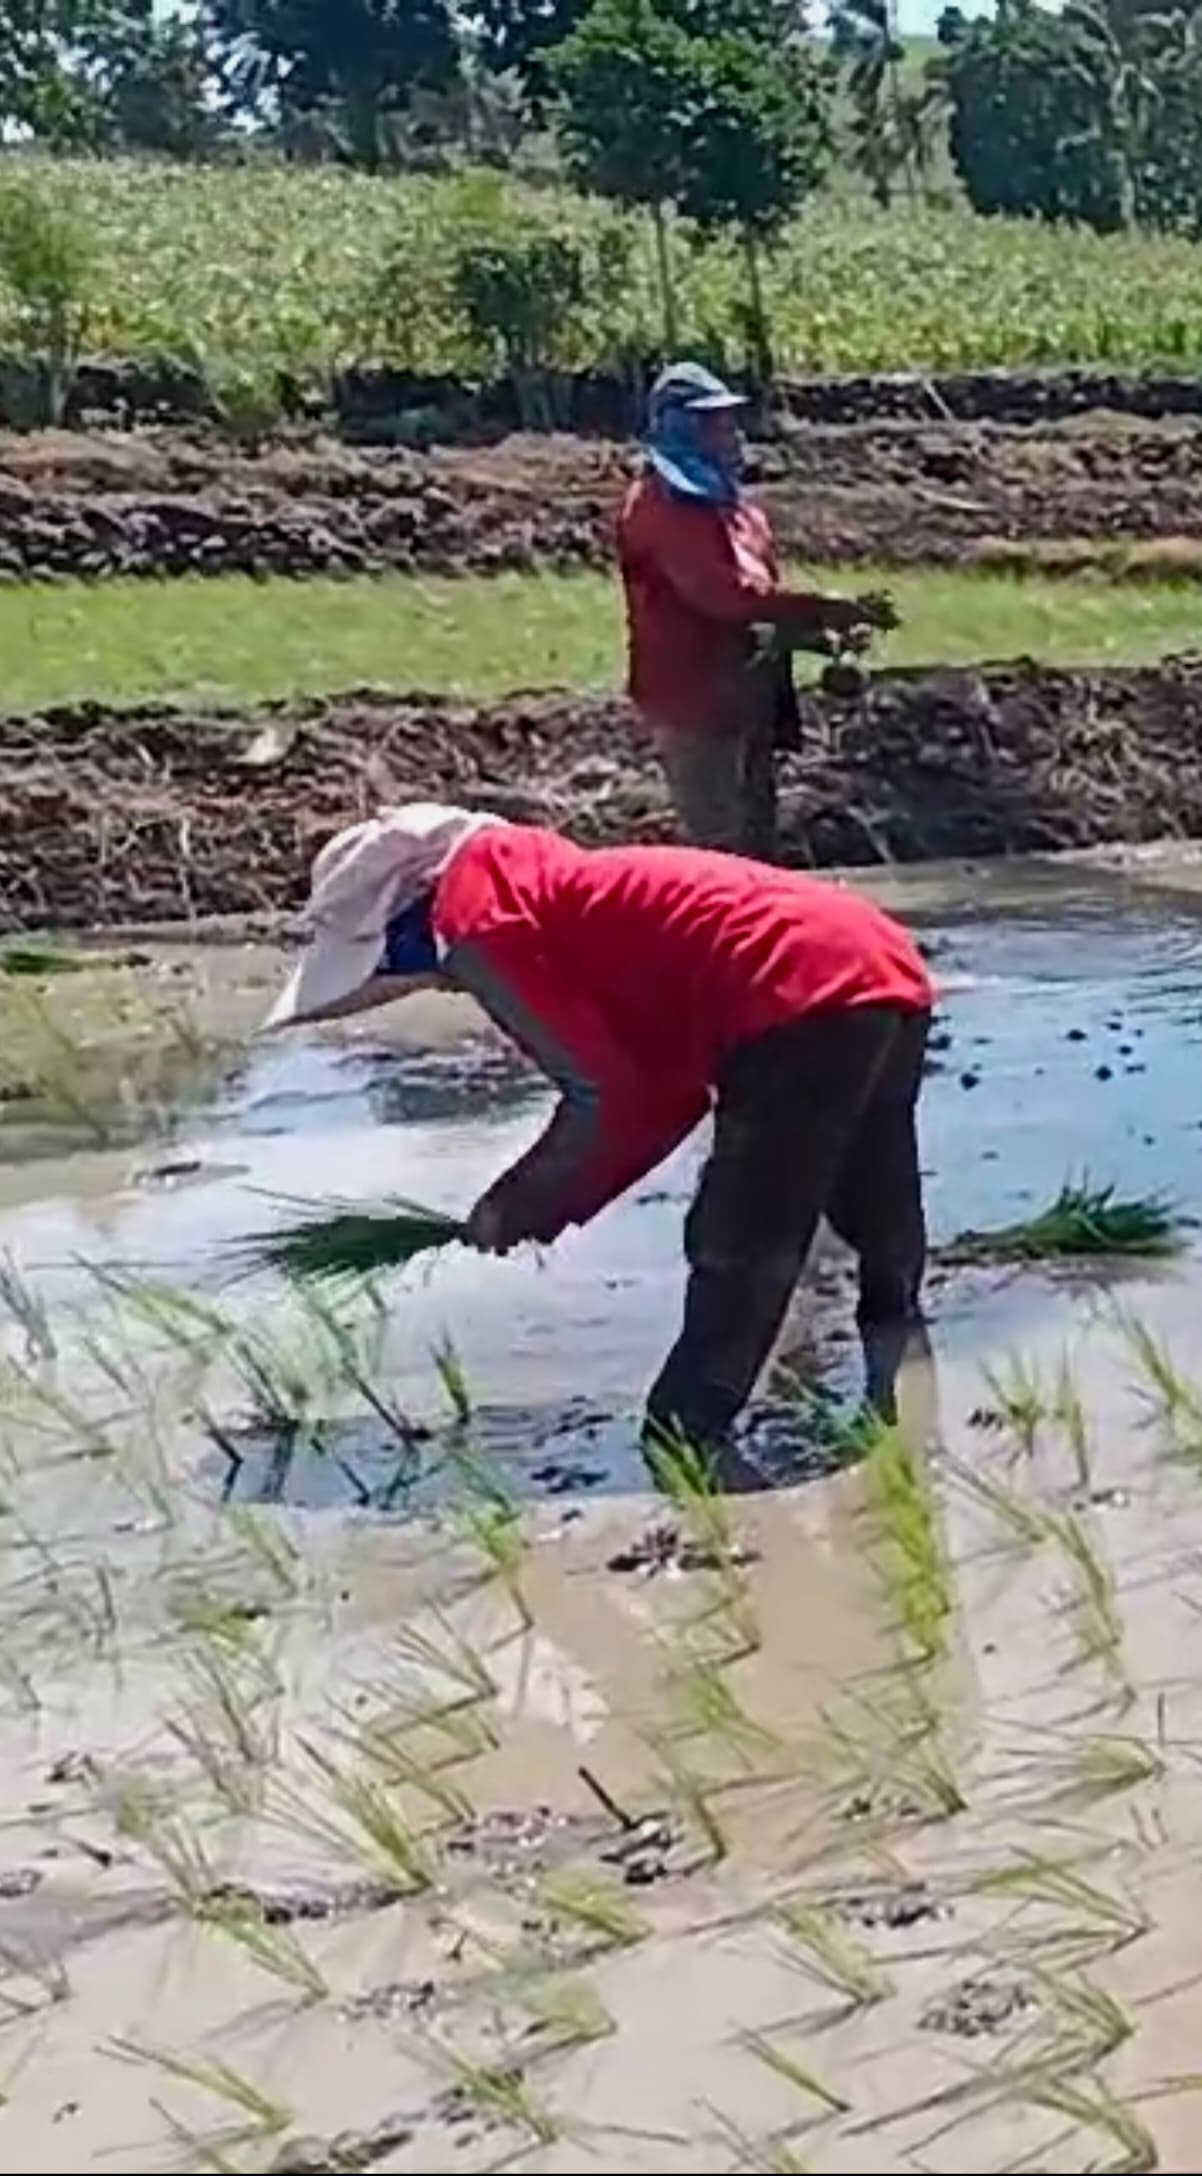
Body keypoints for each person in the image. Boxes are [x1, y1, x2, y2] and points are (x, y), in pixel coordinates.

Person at [258, 804, 937, 1468]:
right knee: (871, 1194)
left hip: (794, 989)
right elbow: (663, 1094)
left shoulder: (484, 931)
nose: (440, 981)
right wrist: (554, 1196)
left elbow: (609, 1098)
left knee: (738, 1241)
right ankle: (904, 1381)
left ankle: (686, 1438)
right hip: (878, 961)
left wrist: (523, 1202)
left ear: (408, 924)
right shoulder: (556, 898)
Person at [616, 362, 895, 860]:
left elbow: (758, 606)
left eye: (728, 421)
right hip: (692, 698)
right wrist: (823, 608)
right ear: (679, 427)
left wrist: (821, 638)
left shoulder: (735, 508)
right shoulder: (661, 508)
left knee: (757, 845)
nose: (729, 434)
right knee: (719, 849)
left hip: (747, 696)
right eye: (712, 423)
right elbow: (725, 596)